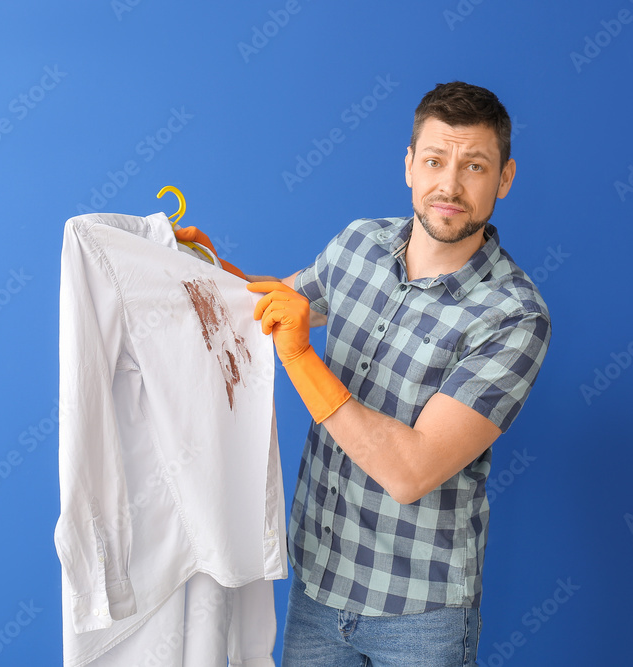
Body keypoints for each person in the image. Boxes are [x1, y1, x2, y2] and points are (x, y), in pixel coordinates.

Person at [177, 81, 551, 666]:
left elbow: (411, 470)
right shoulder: (358, 244)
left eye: (474, 166)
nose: (449, 186)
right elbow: (278, 311)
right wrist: (210, 271)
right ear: (408, 166)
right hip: (317, 586)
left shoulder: (514, 317)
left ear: (503, 179)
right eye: (434, 161)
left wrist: (302, 359)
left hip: (420, 614)